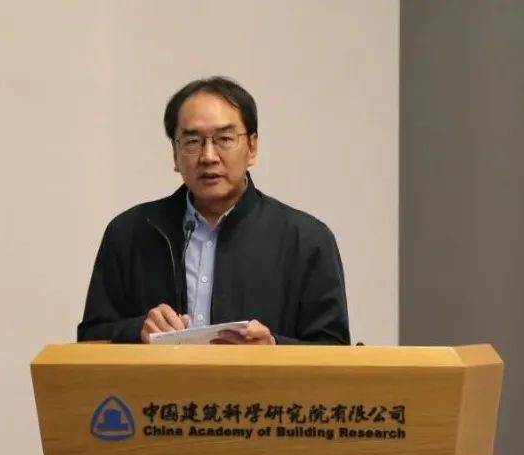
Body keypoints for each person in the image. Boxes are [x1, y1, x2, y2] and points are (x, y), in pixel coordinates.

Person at [77, 76, 350, 345]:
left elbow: (334, 351)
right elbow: (91, 339)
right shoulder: (130, 234)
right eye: (192, 141)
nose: (208, 156)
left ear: (252, 147)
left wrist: (272, 348)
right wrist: (139, 330)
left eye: (224, 139)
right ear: (175, 153)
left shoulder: (306, 240)